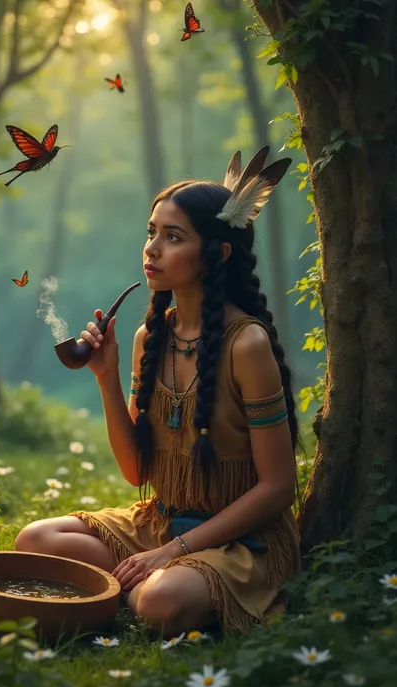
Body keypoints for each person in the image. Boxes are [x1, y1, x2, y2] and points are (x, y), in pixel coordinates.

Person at [15, 146, 303, 638]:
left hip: (239, 539)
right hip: (162, 522)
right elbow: (135, 472)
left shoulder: (247, 344)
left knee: (160, 600)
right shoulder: (151, 338)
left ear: (218, 253)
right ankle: (140, 586)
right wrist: (105, 378)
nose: (152, 248)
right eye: (152, 233)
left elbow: (278, 488)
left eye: (173, 237)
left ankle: (139, 590)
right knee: (35, 540)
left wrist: (173, 554)